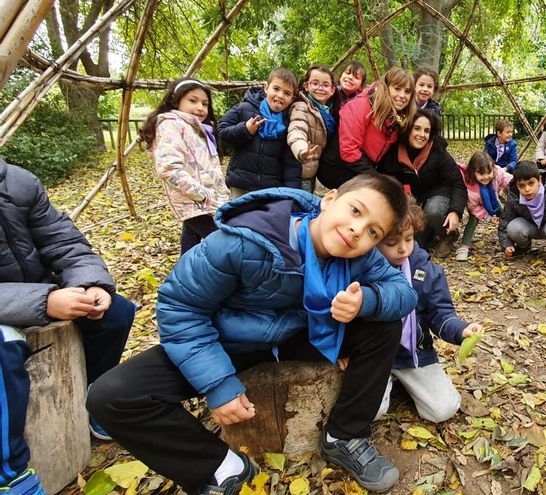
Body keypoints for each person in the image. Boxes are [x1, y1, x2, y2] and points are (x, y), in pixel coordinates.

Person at [86, 173, 418, 494]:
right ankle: (221, 467)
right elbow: (181, 307)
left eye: (373, 232)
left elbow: (404, 293)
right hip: (226, 342)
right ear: (329, 200)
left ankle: (345, 436)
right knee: (111, 396)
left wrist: (366, 301)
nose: (357, 230)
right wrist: (217, 383)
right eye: (355, 210)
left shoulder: (359, 256)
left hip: (299, 335)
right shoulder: (243, 242)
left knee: (384, 323)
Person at [0, 158, 136, 495]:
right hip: (19, 305)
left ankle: (93, 398)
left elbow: (65, 242)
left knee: (114, 313)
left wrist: (91, 284)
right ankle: (11, 473)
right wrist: (43, 300)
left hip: (38, 293)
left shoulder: (17, 182)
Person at [373, 198, 480, 422]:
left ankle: (408, 382)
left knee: (443, 410)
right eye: (391, 242)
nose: (402, 248)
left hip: (415, 354)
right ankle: (390, 384)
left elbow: (441, 313)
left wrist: (461, 330)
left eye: (409, 239)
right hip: (374, 355)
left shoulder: (427, 272)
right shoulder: (363, 269)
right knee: (371, 412)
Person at [140, 78, 230, 254]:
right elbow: (169, 168)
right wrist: (203, 195)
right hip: (195, 199)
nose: (200, 108)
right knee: (224, 242)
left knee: (190, 240)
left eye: (205, 103)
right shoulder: (171, 125)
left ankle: (185, 277)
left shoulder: (199, 129)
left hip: (206, 200)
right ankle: (198, 276)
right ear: (176, 101)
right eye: (193, 100)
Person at [379, 109, 465, 257]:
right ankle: (430, 231)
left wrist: (455, 211)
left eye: (426, 131)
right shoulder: (393, 152)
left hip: (438, 194)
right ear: (408, 128)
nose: (421, 135)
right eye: (417, 128)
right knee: (417, 245)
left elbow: (458, 183)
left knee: (434, 211)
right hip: (412, 198)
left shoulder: (438, 152)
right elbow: (385, 180)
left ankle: (447, 235)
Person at [318, 67, 416, 189]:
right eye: (397, 89)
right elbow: (349, 149)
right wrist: (375, 177)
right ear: (385, 88)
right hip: (337, 166)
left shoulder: (397, 117)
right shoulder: (361, 106)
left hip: (363, 167)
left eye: (407, 92)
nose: (402, 95)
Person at [219, 68, 301, 199]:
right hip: (241, 184)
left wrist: (292, 196)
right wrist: (245, 130)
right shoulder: (244, 108)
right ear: (266, 88)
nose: (280, 95)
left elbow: (291, 165)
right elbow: (221, 132)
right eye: (276, 89)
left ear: (292, 98)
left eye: (287, 93)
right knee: (236, 219)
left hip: (270, 190)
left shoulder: (289, 124)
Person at [288, 64, 341, 193]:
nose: (320, 88)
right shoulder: (302, 107)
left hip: (313, 169)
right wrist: (302, 150)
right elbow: (296, 130)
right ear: (307, 86)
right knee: (299, 206)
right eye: (315, 83)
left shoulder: (329, 112)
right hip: (300, 168)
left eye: (325, 85)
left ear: (332, 90)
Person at [455, 151, 512, 261]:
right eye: (481, 174)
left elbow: (506, 178)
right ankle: (464, 246)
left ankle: (509, 239)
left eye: (488, 172)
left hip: (493, 201)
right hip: (476, 206)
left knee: (505, 216)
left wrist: (514, 183)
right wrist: (488, 218)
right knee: (473, 220)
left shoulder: (496, 173)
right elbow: (473, 208)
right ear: (473, 172)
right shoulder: (471, 188)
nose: (486, 177)